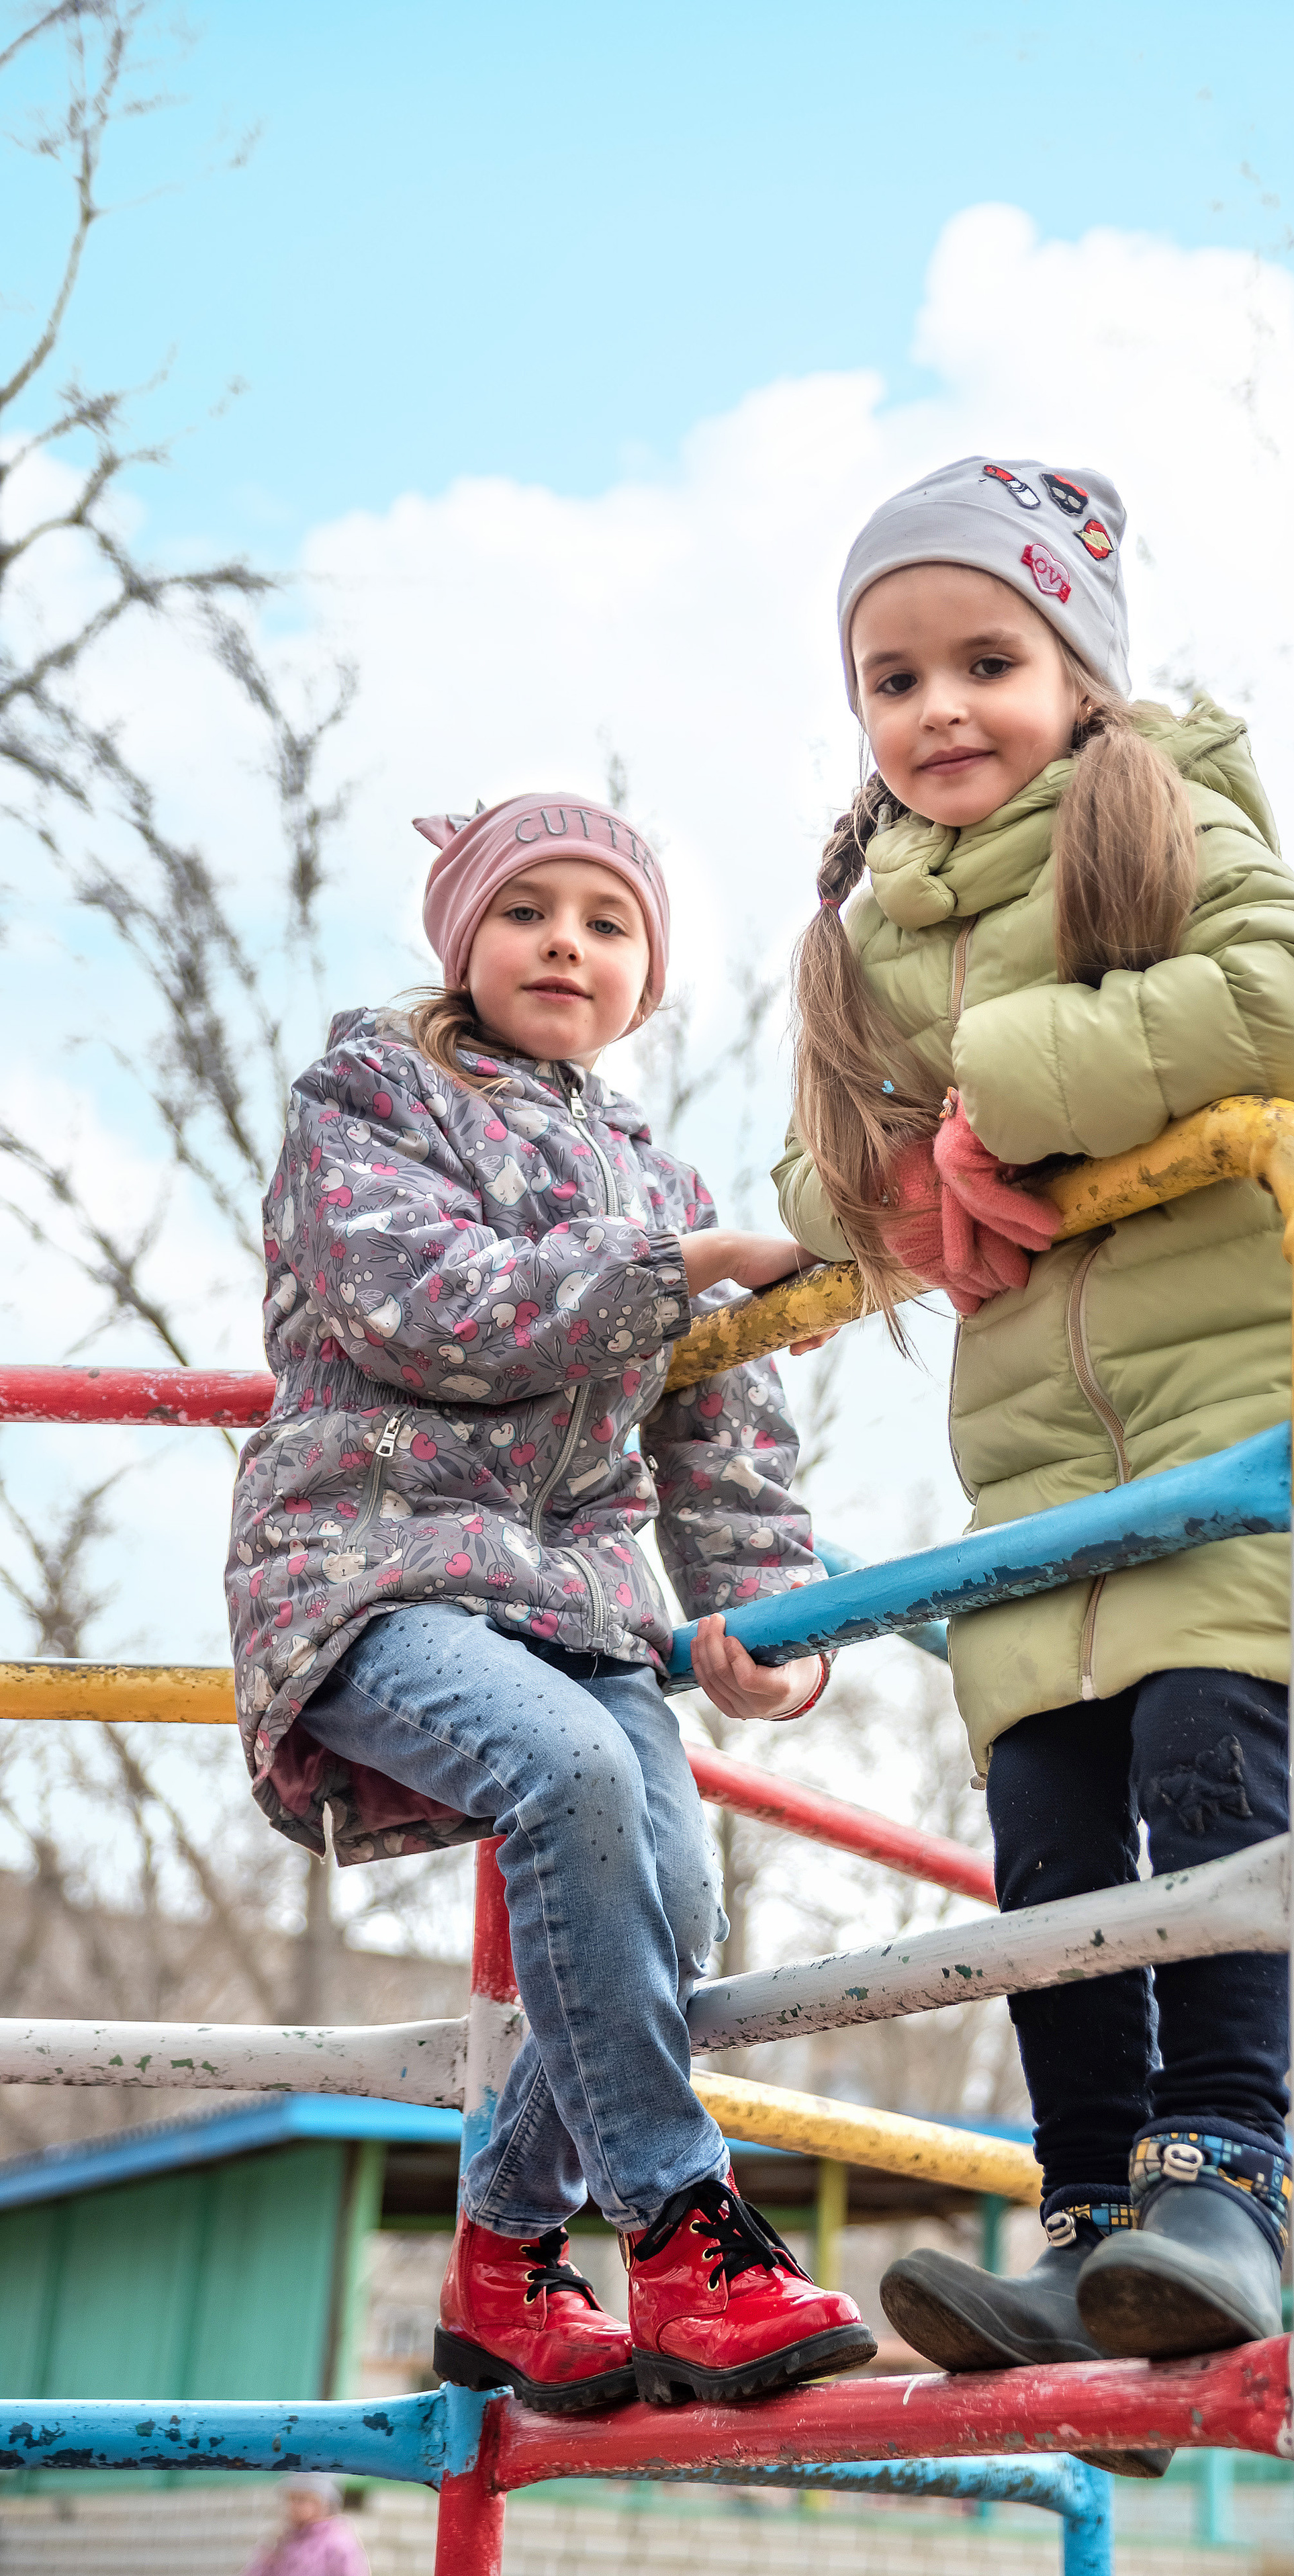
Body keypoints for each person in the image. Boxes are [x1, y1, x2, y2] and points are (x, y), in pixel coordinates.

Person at [775, 457, 1294, 2381]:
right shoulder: (869, 931)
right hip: (1054, 1476)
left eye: (987, 658)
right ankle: (1090, 2212)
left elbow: (1290, 1010)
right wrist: (875, 1192)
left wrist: (1003, 1087)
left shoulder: (1154, 827)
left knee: (1201, 1763)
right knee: (1047, 1821)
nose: (939, 710)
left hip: (1268, 1411)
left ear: (1079, 670)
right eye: (891, 678)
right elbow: (841, 1169)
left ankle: (1229, 2175)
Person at [228, 793, 874, 2413]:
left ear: (646, 976)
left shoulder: (662, 1176)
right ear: (463, 941)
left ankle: (504, 2253)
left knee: (676, 1903)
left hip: (582, 1612)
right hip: (371, 1575)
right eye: (527, 910)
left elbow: (722, 1443)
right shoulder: (368, 1094)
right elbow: (420, 1303)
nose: (564, 942)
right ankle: (678, 2225)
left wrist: (773, 1641)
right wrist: (674, 1268)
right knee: (567, 1774)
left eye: (605, 918)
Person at [241, 2476, 368, 2576]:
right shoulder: (281, 2541)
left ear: (325, 2504)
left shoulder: (338, 2543)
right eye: (291, 2498)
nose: (293, 2506)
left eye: (302, 2499)